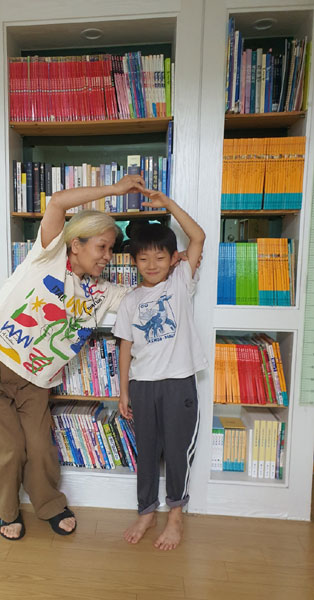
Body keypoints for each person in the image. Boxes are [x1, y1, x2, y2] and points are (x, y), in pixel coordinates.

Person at [0, 174, 146, 541]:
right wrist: (116, 190)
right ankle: (7, 511)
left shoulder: (104, 293)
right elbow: (57, 202)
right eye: (102, 247)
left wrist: (174, 264)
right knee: (6, 448)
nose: (107, 256)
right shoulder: (48, 255)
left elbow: (145, 298)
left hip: (33, 378)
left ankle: (48, 504)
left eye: (111, 250)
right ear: (76, 244)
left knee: (41, 447)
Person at [113, 189, 208, 551]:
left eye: (160, 257)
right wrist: (124, 391)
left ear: (172, 259)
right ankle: (146, 511)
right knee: (147, 452)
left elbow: (198, 237)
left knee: (178, 451)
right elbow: (125, 347)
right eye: (144, 258)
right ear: (134, 261)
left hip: (178, 383)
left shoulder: (180, 281)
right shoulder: (130, 301)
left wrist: (168, 205)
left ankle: (176, 516)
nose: (152, 265)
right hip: (143, 386)